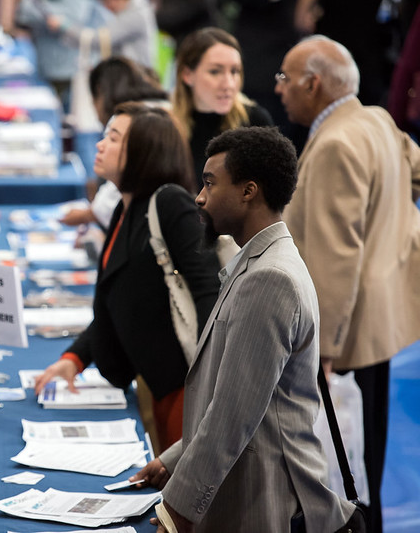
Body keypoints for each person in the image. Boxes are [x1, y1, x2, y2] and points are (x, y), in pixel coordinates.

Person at [131, 126, 362, 532]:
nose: (199, 197)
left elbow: (234, 414)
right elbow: (246, 401)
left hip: (266, 501)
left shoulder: (270, 278)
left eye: (209, 183)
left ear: (248, 191)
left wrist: (178, 512)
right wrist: (172, 461)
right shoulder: (256, 262)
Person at [276, 35, 420, 533]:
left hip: (347, 334)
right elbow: (412, 172)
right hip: (382, 320)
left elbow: (338, 255)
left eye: (285, 79)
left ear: (313, 84)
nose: (279, 89)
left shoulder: (336, 142)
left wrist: (325, 347)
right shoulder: (377, 119)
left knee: (345, 465)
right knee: (367, 458)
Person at [35, 103, 220, 449]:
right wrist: (75, 358)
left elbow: (208, 289)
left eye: (113, 138)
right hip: (157, 382)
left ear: (143, 151)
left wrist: (211, 382)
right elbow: (118, 300)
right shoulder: (126, 207)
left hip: (188, 387)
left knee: (182, 493)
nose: (101, 145)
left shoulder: (170, 203)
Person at [60, 56, 168, 229]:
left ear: (100, 91)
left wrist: (86, 215)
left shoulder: (132, 119)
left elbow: (115, 194)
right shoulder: (160, 108)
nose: (100, 145)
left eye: (112, 138)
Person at [172, 27, 273, 191]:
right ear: (187, 75)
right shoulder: (168, 125)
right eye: (215, 71)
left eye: (235, 72)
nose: (228, 84)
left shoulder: (255, 122)